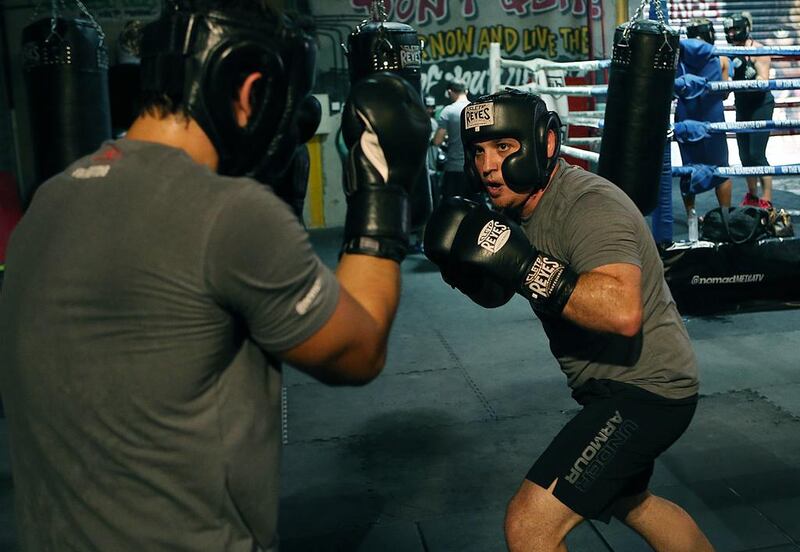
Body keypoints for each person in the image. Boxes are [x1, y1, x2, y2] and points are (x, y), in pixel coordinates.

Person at [0, 2, 430, 551]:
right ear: (251, 89)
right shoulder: (226, 213)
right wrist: (383, 188)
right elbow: (359, 349)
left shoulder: (49, 202)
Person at [424, 90, 713, 551]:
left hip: (647, 390)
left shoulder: (589, 206)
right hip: (609, 386)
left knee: (530, 525)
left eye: (503, 147)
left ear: (547, 143)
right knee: (631, 502)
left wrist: (521, 265)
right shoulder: (518, 211)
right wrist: (471, 271)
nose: (485, 165)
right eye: (478, 150)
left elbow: (621, 310)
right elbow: (500, 293)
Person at [676, 18, 732, 235]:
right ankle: (725, 216)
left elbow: (672, 86)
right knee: (721, 167)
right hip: (712, 113)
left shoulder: (678, 56)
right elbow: (725, 92)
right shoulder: (721, 58)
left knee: (688, 166)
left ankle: (691, 217)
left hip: (686, 113)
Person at [724, 11, 775, 209]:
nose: (732, 33)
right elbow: (726, 90)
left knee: (757, 154)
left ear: (745, 29)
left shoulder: (758, 50)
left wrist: (750, 80)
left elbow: (764, 80)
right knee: (744, 155)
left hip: (761, 105)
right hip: (743, 106)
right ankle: (752, 195)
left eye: (735, 29)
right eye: (729, 30)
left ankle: (767, 197)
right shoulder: (729, 55)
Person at [432, 78, 476, 201]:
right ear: (466, 91)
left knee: (452, 208)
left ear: (450, 92)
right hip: (473, 169)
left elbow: (437, 141)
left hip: (454, 169)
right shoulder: (475, 108)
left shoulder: (448, 111)